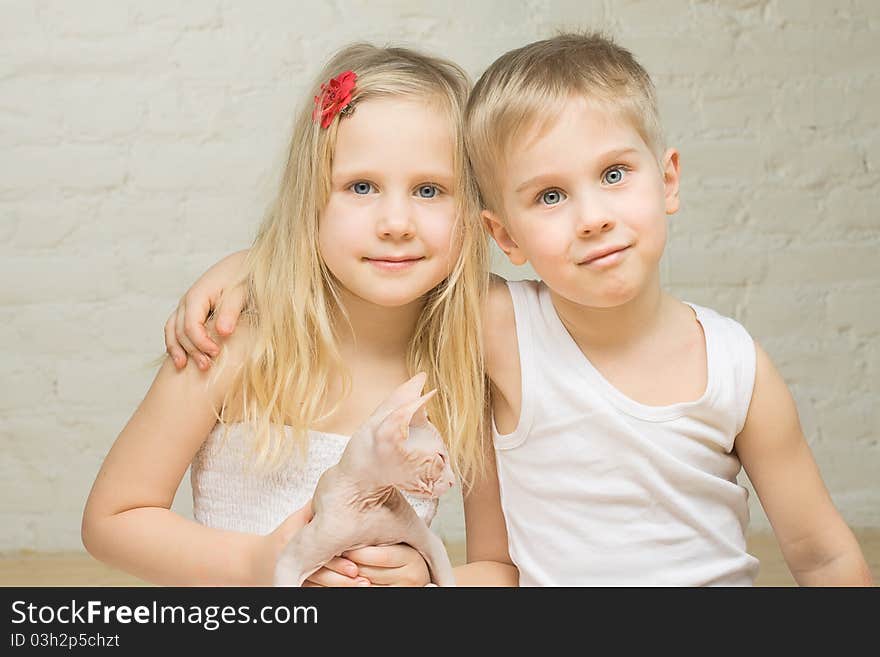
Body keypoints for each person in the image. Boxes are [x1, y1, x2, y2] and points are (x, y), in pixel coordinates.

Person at [163, 33, 872, 586]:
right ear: (501, 233)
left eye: (615, 174)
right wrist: (252, 265)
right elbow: (381, 257)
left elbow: (822, 551)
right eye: (550, 196)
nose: (592, 217)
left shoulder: (737, 368)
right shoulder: (499, 326)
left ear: (669, 179)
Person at [81, 43, 517, 587]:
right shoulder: (235, 339)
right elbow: (112, 521)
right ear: (311, 197)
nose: (397, 221)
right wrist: (256, 564)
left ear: (476, 210)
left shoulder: (463, 367)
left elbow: (501, 569)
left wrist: (430, 580)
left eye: (430, 190)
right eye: (361, 187)